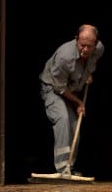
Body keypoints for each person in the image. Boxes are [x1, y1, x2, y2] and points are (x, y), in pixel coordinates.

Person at [40, 24, 104, 176]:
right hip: (53, 88)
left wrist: (88, 72)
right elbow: (60, 88)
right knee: (63, 118)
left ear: (96, 44)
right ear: (76, 40)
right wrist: (78, 102)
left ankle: (70, 166)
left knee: (75, 124)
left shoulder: (99, 49)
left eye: (90, 46)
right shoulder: (64, 56)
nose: (85, 50)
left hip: (72, 88)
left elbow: (91, 62)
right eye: (82, 45)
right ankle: (62, 169)